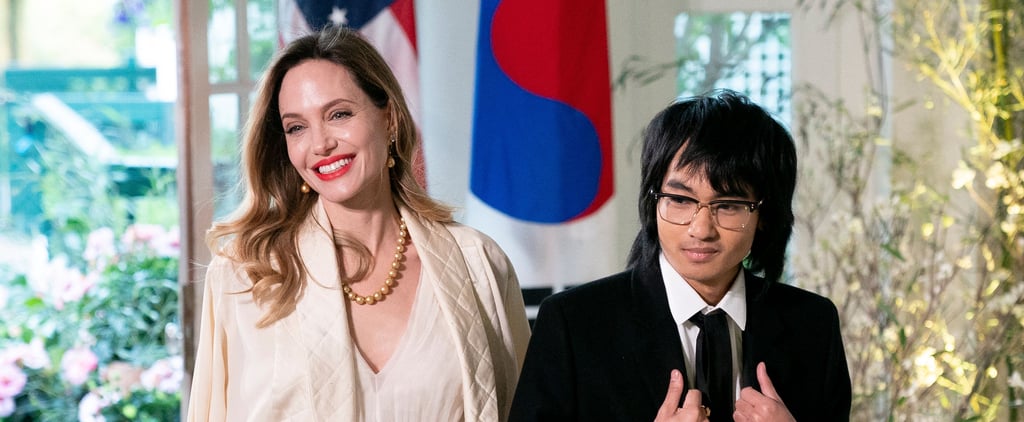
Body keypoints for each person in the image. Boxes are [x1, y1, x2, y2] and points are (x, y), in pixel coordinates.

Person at [187, 26, 530, 421]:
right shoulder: (245, 276)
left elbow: (522, 410)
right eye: (296, 127)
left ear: (390, 120)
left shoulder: (478, 264)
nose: (320, 144)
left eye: (339, 114)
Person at [509, 89, 851, 421]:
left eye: (728, 205)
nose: (701, 229)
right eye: (681, 200)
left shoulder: (812, 325)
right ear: (652, 201)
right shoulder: (574, 324)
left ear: (764, 215)